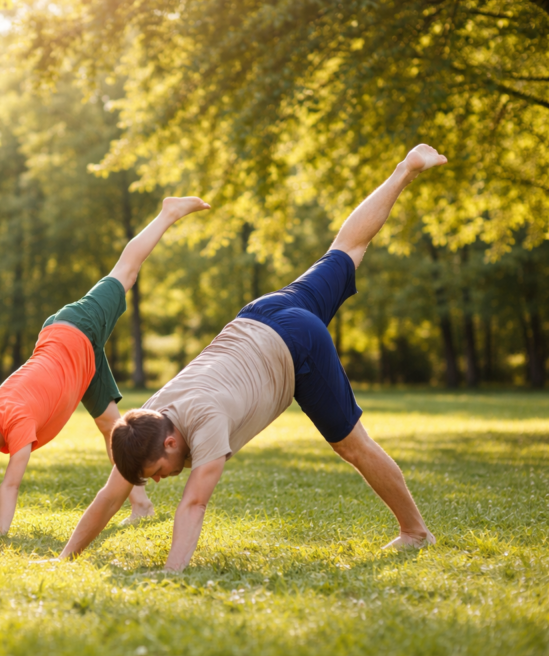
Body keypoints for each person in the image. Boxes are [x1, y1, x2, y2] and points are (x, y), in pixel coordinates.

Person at [59, 144, 447, 571]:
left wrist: (171, 574)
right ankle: (405, 169)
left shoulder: (203, 424)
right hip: (261, 313)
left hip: (297, 345)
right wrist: (64, 559)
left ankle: (415, 532)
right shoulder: (145, 424)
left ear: (172, 442)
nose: (156, 479)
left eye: (156, 470)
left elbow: (193, 505)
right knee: (345, 249)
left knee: (352, 446)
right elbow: (109, 496)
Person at [0, 196, 211, 536]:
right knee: (112, 426)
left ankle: (169, 212)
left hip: (77, 327)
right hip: (77, 362)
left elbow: (10, 485)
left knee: (125, 272)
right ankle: (141, 505)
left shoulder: (15, 424)